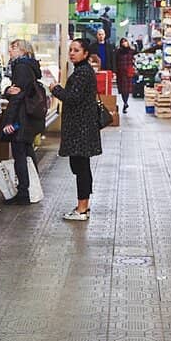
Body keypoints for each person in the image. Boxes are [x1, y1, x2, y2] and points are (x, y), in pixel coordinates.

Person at [50, 35, 102, 221]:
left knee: (80, 167)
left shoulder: (82, 73)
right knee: (81, 166)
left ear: (86, 53)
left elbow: (73, 98)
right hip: (82, 127)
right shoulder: (83, 70)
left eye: (76, 50)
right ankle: (83, 206)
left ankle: (82, 209)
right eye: (71, 50)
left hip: (81, 128)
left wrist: (56, 89)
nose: (72, 53)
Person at [0, 37, 47, 205]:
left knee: (19, 153)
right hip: (28, 118)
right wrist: (8, 91)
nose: (10, 52)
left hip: (20, 118)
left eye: (12, 48)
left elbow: (17, 97)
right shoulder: (30, 66)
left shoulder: (20, 67)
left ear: (21, 50)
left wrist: (9, 121)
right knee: (26, 151)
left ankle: (23, 193)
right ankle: (31, 187)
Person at [115, 37, 135, 113]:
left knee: (127, 90)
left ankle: (125, 102)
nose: (124, 43)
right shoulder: (118, 52)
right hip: (120, 72)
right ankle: (125, 102)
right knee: (123, 89)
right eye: (122, 42)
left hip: (128, 72)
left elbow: (136, 57)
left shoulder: (131, 51)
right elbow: (116, 61)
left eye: (125, 41)